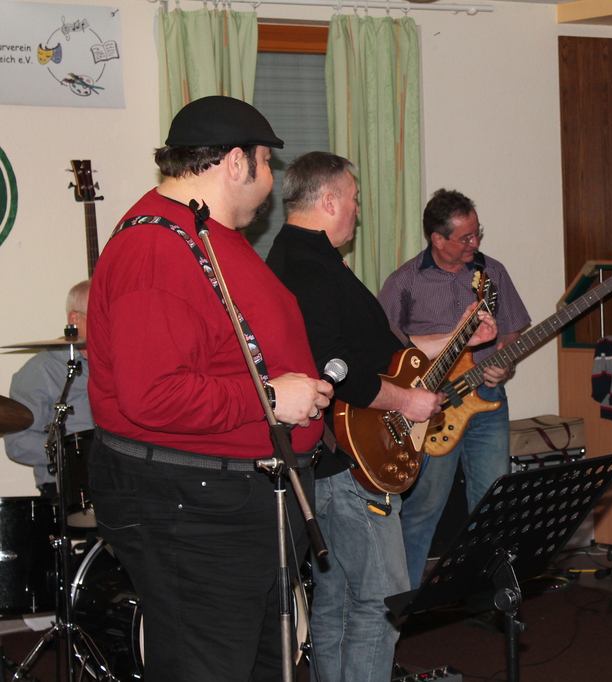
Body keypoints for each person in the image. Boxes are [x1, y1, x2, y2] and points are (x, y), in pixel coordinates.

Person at [87, 96, 333, 682]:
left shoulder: (203, 232)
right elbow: (153, 394)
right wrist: (271, 398)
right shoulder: (155, 247)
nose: (270, 181)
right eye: (266, 163)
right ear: (235, 162)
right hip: (195, 507)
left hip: (233, 501)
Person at [265, 152, 497, 682]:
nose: (358, 208)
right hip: (351, 464)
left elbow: (387, 353)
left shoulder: (305, 259)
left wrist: (459, 336)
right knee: (381, 601)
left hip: (335, 460)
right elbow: (332, 365)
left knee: (338, 600)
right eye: (353, 198)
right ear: (328, 201)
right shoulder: (308, 269)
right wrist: (406, 403)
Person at [378, 188, 531, 585]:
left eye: (477, 233)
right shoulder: (403, 282)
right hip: (434, 408)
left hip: (488, 400)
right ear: (437, 239)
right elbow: (382, 352)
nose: (474, 243)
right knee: (424, 508)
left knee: (492, 504)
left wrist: (505, 360)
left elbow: (513, 329)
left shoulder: (492, 272)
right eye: (465, 237)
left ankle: (488, 593)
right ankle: (404, 601)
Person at [6, 280, 93, 500]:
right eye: (100, 315)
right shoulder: (40, 370)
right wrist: (75, 456)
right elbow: (18, 443)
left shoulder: (117, 365)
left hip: (117, 484)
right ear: (74, 319)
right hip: (67, 487)